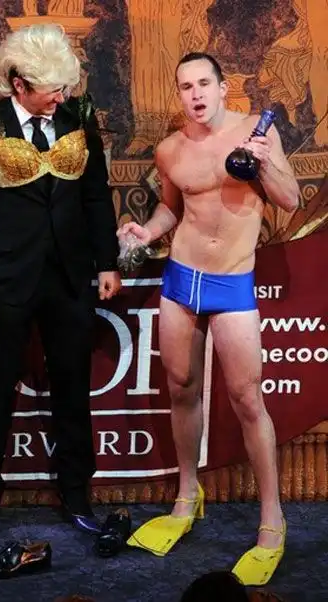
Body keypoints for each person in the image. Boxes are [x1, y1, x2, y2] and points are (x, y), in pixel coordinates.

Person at [118, 52, 299, 586]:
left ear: (223, 88)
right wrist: (148, 232)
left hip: (232, 281)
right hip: (182, 279)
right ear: (179, 95)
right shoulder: (170, 149)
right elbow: (172, 208)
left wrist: (265, 163)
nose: (195, 94)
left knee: (247, 399)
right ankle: (186, 496)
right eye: (185, 86)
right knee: (180, 388)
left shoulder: (256, 132)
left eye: (203, 83)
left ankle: (273, 519)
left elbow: (289, 200)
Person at [0, 23, 121, 540]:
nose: (61, 97)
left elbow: (96, 194)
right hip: (4, 280)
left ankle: (76, 495)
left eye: (66, 87)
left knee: (73, 389)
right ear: (19, 83)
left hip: (69, 277)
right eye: (52, 89)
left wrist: (107, 262)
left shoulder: (78, 116)